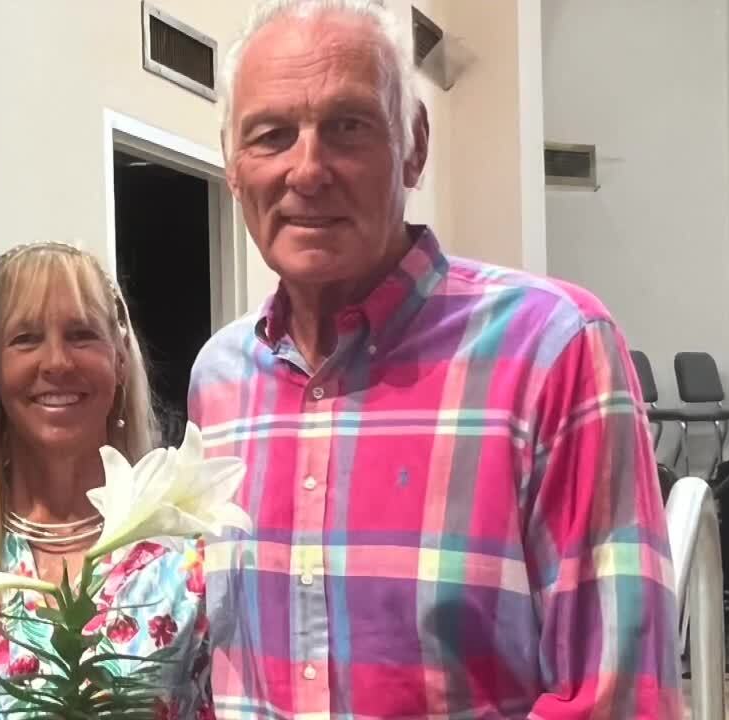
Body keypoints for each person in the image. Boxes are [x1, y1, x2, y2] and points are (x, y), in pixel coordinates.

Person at [189, 1, 681, 718]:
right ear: (233, 166)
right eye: (271, 136)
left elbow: (615, 699)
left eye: (348, 127)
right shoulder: (220, 379)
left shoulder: (552, 351)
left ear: (414, 145)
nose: (308, 168)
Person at [0, 243, 213, 720]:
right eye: (25, 338)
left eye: (82, 335)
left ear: (119, 360)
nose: (57, 362)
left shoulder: (188, 562)